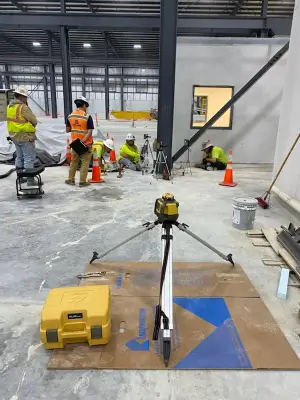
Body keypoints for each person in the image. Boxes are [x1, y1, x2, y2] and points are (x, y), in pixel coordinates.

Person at [7, 86, 39, 186]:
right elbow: (34, 120)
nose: (26, 99)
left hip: (15, 136)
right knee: (29, 158)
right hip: (25, 136)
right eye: (25, 97)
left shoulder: (9, 106)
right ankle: (30, 180)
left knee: (19, 157)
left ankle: (20, 178)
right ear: (21, 97)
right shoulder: (23, 107)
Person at [65, 96, 95, 187]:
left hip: (75, 144)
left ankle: (70, 180)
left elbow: (67, 130)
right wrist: (83, 141)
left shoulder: (70, 116)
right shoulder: (87, 117)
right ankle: (82, 182)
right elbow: (89, 131)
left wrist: (75, 128)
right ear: (84, 105)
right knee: (85, 163)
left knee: (74, 162)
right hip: (86, 144)